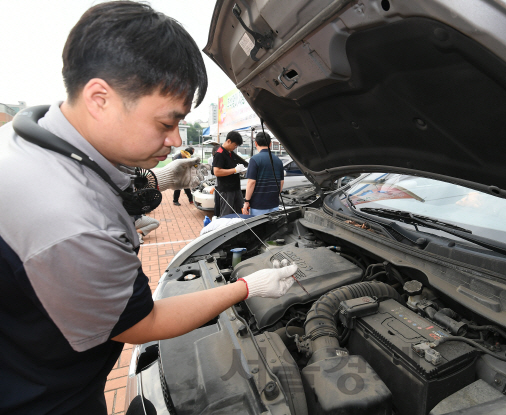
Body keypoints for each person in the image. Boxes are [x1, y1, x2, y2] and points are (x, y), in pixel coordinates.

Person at [0, 3, 296, 414]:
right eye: (165, 123)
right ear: (99, 98)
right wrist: (249, 287)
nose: (176, 139)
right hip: (45, 398)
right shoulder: (72, 220)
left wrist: (157, 180)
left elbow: (97, 186)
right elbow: (143, 324)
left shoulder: (28, 141)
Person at [242, 132, 284, 215]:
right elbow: (281, 182)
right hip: (274, 204)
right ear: (270, 144)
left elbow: (251, 182)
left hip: (258, 206)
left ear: (256, 143)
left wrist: (246, 201)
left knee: (259, 227)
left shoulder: (254, 160)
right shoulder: (278, 161)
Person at [213, 131, 246, 217]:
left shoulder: (231, 153)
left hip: (236, 188)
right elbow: (217, 172)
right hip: (226, 190)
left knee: (239, 212)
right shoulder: (219, 154)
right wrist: (234, 170)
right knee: (226, 215)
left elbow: (235, 166)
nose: (235, 147)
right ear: (228, 141)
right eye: (235, 145)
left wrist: (241, 170)